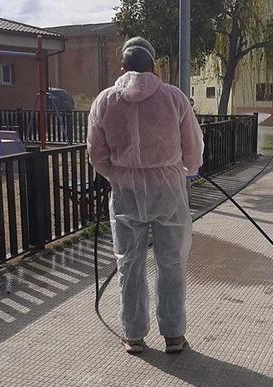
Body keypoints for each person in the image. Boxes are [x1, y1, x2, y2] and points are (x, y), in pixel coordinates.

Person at [87, 37, 204, 355]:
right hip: (168, 189)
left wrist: (119, 175)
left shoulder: (104, 102)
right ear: (154, 66)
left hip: (126, 191)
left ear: (122, 67)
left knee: (129, 263)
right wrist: (187, 169)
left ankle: (134, 336)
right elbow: (193, 150)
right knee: (172, 261)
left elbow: (96, 155)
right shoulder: (174, 98)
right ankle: (174, 336)